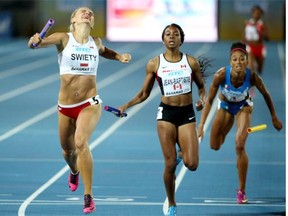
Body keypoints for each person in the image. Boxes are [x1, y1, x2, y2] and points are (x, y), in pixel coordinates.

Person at [28, 7, 131, 214]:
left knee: (81, 142)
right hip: (65, 107)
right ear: (73, 20)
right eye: (82, 11)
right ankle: (74, 170)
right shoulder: (63, 39)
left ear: (92, 23)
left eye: (90, 13)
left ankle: (88, 196)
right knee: (67, 152)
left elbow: (105, 52)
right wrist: (35, 41)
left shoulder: (97, 42)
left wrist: (119, 57)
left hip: (89, 103)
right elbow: (35, 44)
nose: (87, 13)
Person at [118, 23, 211, 216]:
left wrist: (202, 100)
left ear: (180, 39)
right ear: (163, 40)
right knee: (169, 165)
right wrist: (126, 105)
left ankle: (180, 155)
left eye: (175, 34)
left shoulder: (191, 62)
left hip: (186, 114)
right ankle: (171, 202)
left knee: (191, 164)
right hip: (166, 114)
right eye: (167, 34)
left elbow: (202, 88)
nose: (171, 37)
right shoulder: (155, 63)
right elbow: (144, 93)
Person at [197, 42, 282, 205]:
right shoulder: (221, 75)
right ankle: (229, 126)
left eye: (242, 59)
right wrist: (201, 126)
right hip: (225, 107)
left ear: (247, 60)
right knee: (215, 145)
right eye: (235, 59)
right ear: (230, 62)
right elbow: (208, 101)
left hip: (244, 108)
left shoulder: (252, 77)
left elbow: (266, 94)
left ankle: (241, 191)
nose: (238, 62)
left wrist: (274, 117)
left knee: (239, 146)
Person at [242, 5, 269, 75]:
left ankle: (256, 67)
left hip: (260, 48)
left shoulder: (262, 24)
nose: (257, 15)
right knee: (251, 69)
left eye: (258, 13)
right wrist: (241, 46)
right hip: (250, 47)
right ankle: (250, 84)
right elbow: (244, 36)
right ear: (252, 13)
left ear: (260, 14)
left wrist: (259, 31)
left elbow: (268, 38)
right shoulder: (248, 23)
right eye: (255, 13)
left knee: (260, 70)